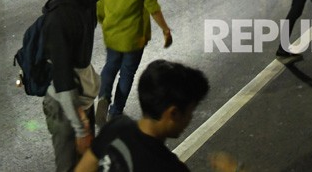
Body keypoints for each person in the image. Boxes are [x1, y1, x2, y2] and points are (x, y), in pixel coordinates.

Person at [41, 0, 116, 172]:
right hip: (66, 109)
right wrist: (81, 128)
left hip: (82, 104)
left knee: (87, 166)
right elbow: (62, 78)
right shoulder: (61, 16)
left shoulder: (86, 3)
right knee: (70, 167)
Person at [76, 60, 212, 172]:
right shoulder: (169, 167)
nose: (190, 118)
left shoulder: (115, 127)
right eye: (190, 112)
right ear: (173, 113)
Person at [96, 0, 173, 126]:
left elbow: (99, 1)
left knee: (110, 66)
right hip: (134, 35)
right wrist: (165, 29)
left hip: (112, 31)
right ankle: (116, 113)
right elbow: (152, 6)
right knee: (127, 73)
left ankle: (104, 97)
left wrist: (103, 21)